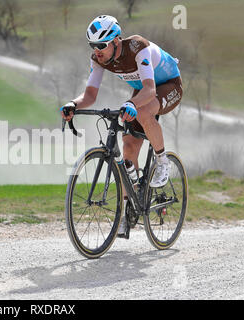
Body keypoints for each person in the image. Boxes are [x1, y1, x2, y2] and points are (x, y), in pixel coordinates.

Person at [60, 15, 183, 238]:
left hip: (166, 86)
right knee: (127, 149)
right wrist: (73, 104)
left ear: (116, 41)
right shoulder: (99, 59)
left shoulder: (138, 48)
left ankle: (162, 161)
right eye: (92, 45)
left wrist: (130, 103)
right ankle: (129, 211)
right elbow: (90, 94)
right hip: (143, 91)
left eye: (101, 45)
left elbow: (150, 90)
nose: (96, 50)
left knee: (144, 111)